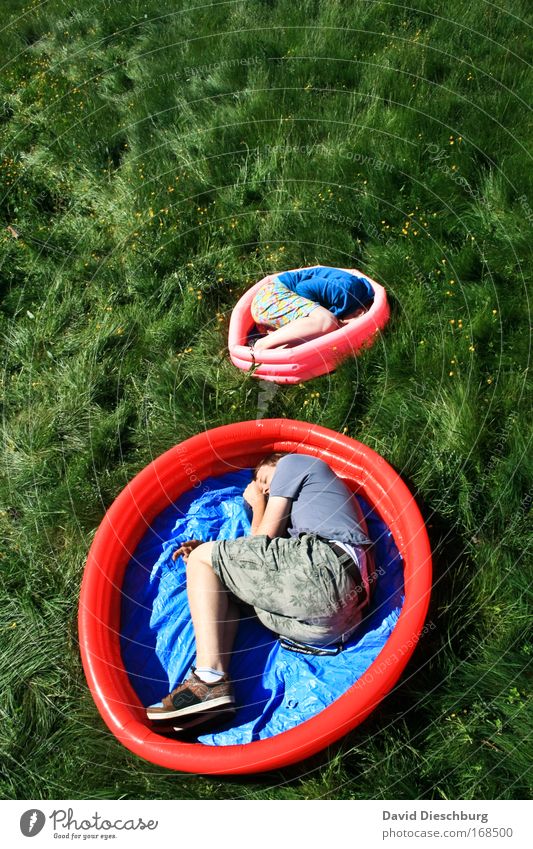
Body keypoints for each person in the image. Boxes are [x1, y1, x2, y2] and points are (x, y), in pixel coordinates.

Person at [146, 451, 372, 724]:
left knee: (203, 559)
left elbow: (261, 539)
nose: (265, 490)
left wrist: (256, 502)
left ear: (276, 462)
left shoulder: (293, 463)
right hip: (335, 627)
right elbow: (260, 557)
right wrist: (214, 558)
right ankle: (215, 691)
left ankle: (207, 677)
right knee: (219, 581)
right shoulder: (310, 514)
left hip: (325, 571)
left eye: (266, 481)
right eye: (263, 490)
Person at [250, 265, 374, 353]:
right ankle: (259, 345)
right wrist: (329, 315)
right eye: (348, 326)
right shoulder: (345, 291)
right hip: (271, 297)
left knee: (324, 327)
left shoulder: (349, 300)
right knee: (327, 321)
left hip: (272, 305)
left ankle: (272, 349)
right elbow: (303, 288)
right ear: (359, 312)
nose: (344, 326)